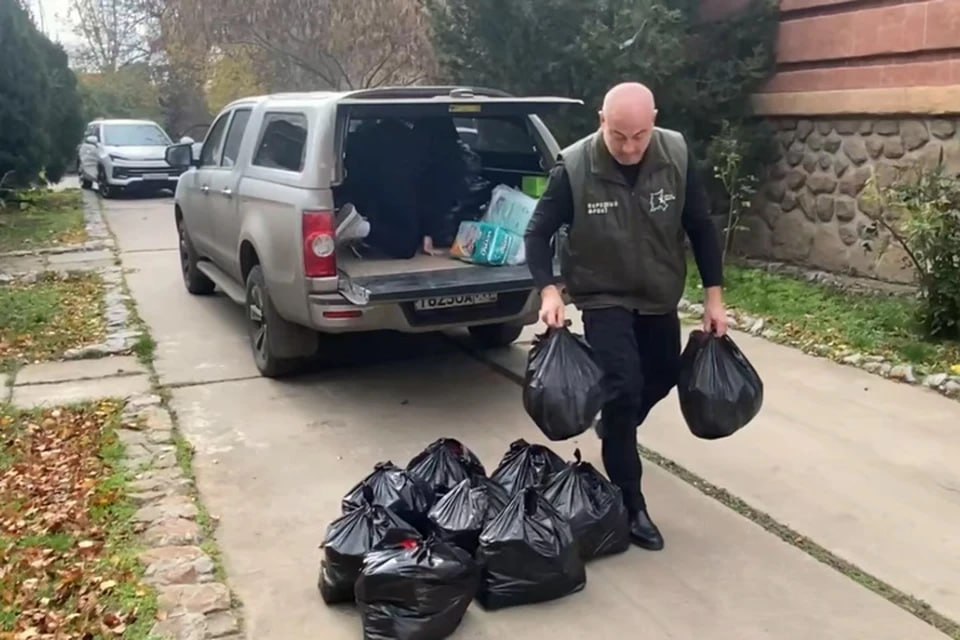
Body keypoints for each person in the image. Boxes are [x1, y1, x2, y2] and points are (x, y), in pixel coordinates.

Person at [523, 82, 728, 551]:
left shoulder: (675, 155)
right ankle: (631, 503)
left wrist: (714, 298)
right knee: (624, 388)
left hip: (657, 294)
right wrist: (549, 290)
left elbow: (700, 226)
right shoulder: (575, 166)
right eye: (618, 136)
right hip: (603, 295)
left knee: (662, 375)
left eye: (639, 135)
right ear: (602, 121)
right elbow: (537, 234)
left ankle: (616, 425)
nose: (630, 147)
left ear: (654, 120)